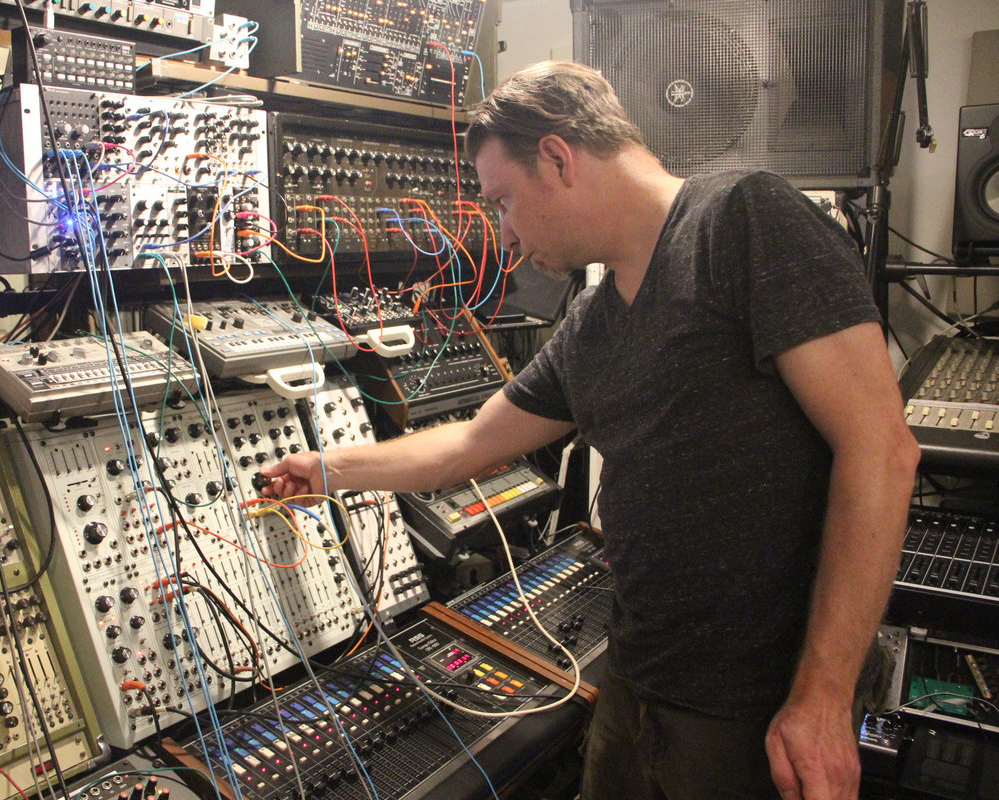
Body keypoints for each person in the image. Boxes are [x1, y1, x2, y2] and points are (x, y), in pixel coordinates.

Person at [261, 61, 919, 800]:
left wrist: (823, 697)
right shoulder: (593, 325)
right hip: (638, 682)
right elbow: (470, 445)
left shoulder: (744, 219)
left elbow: (881, 452)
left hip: (757, 709)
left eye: (504, 201)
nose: (505, 234)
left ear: (557, 158)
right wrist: (327, 469)